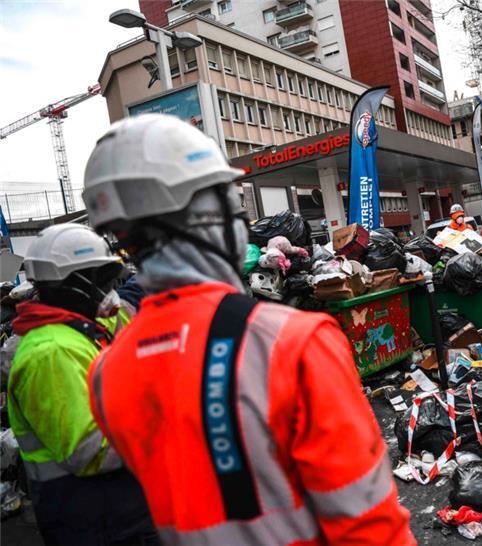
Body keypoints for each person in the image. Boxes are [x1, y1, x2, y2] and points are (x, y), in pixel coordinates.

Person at [82, 114, 414, 545]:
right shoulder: (292, 343)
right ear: (210, 213)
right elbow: (370, 527)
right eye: (232, 204)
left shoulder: (107, 373)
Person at [7, 224, 157, 545]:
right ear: (73, 284)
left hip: (116, 510)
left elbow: (131, 318)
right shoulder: (49, 352)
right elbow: (91, 452)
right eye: (102, 281)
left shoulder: (83, 327)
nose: (109, 290)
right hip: (93, 522)